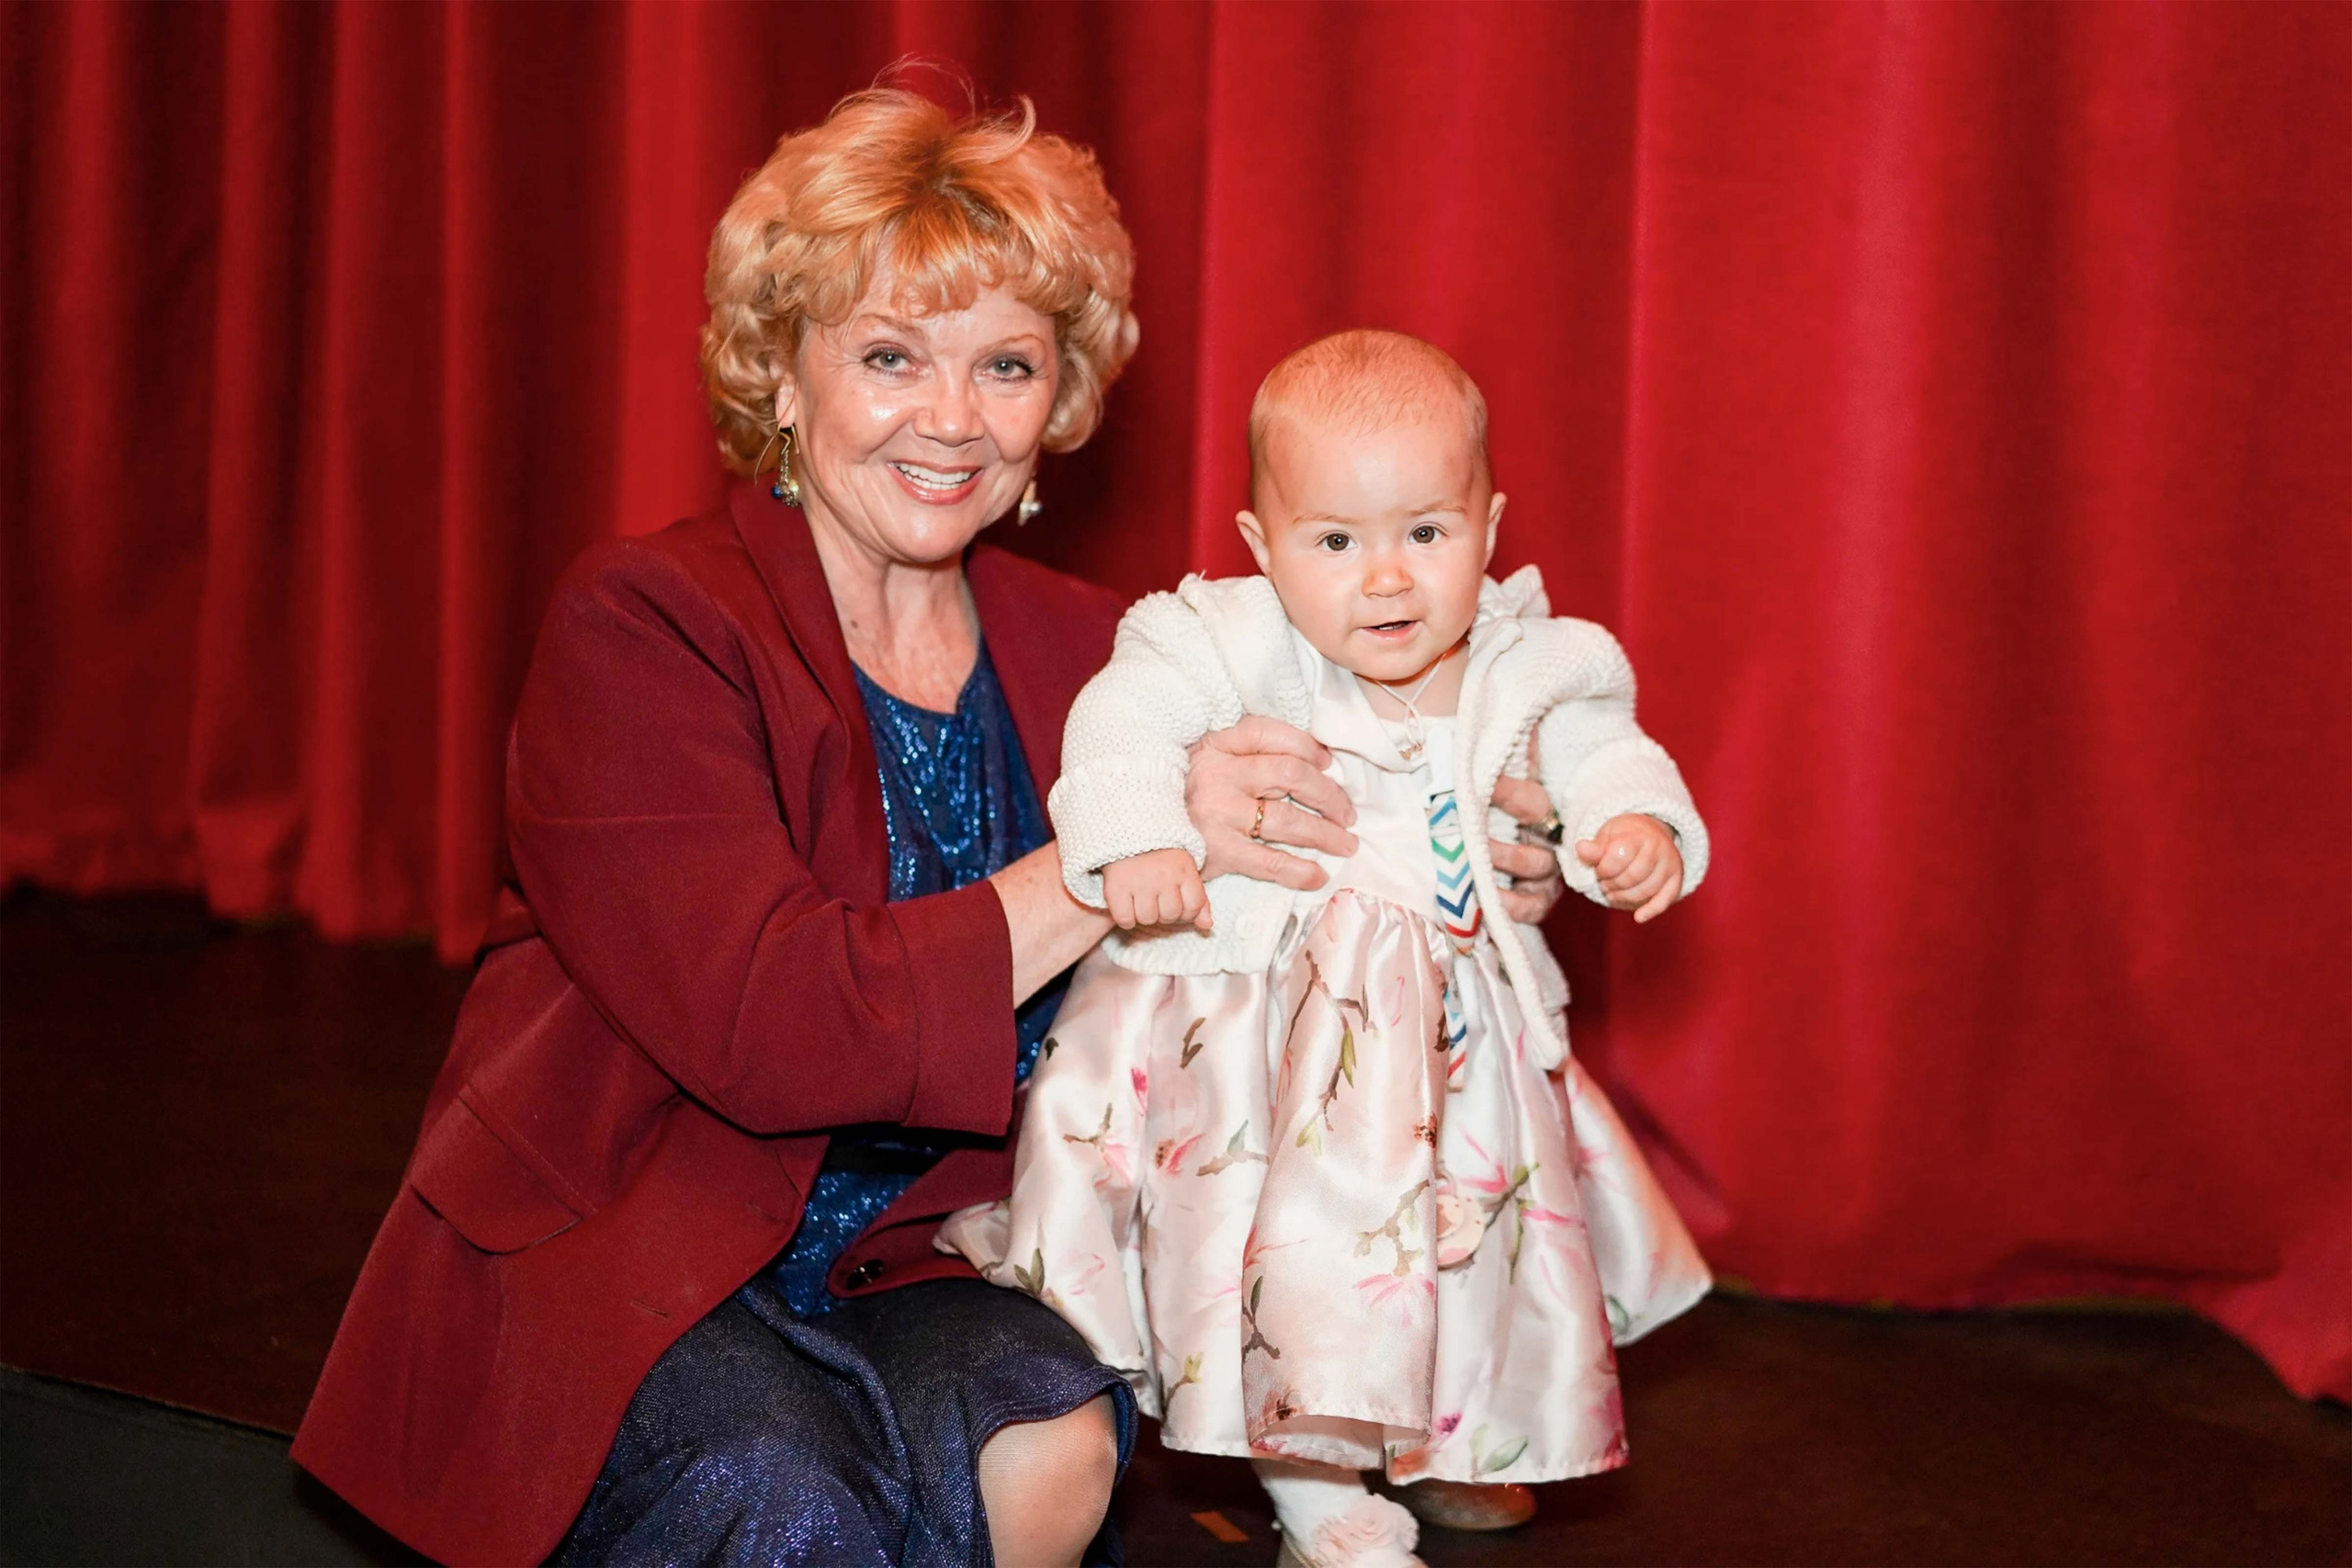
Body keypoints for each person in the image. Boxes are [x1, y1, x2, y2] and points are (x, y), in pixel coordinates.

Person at [293, 94, 1578, 1567]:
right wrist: (1106, 859)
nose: (954, 418)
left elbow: (1330, 811)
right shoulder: (646, 624)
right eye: (891, 358)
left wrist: (1479, 863)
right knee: (781, 1499)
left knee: (1052, 1444)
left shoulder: (1110, 650)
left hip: (923, 1246)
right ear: (781, 375)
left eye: (1008, 366)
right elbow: (773, 1023)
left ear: (1059, 404)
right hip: (640, 1233)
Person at [942, 331, 1713, 1568]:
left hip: (1459, 1044)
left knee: (1461, 1255)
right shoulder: (1235, 640)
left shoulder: (1520, 657)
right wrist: (1137, 834)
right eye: (1336, 542)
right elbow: (1124, 718)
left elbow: (1598, 735)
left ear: (1490, 523)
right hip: (1277, 1044)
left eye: (1426, 532)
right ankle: (1313, 1487)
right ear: (1260, 546)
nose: (1387, 581)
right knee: (1310, 1261)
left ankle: (1454, 1442)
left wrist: (1629, 821)